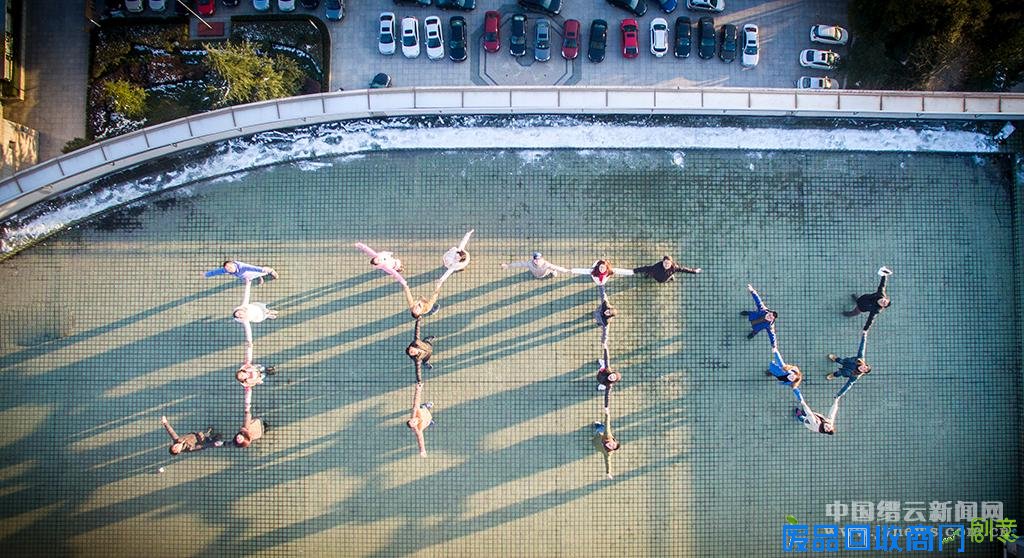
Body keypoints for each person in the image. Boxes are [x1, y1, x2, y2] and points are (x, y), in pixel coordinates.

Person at [844, 267, 893, 331]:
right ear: (884, 298)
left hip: (861, 308)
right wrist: (884, 275)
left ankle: (846, 314)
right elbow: (882, 284)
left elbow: (870, 320)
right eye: (885, 300)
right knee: (858, 299)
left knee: (854, 312)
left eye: (884, 304)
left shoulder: (876, 310)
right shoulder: (880, 294)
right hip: (862, 298)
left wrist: (865, 329)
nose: (883, 301)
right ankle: (855, 299)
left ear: (882, 306)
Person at [826, 330, 871, 398]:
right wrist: (864, 337)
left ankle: (833, 375)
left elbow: (848, 385)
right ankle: (835, 359)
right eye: (865, 367)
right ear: (864, 364)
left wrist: (839, 394)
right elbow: (861, 348)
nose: (863, 368)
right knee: (840, 360)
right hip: (846, 362)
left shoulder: (855, 376)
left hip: (844, 372)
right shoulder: (860, 359)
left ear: (863, 372)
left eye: (864, 370)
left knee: (838, 373)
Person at [233, 280, 278, 348]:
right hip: (258, 316)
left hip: (257, 308)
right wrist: (250, 341)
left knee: (266, 310)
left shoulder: (244, 305)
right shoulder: (245, 320)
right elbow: (248, 331)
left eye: (239, 313)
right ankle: (268, 315)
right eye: (239, 316)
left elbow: (246, 295)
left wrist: (248, 284)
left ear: (240, 310)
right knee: (265, 315)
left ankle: (269, 312)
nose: (240, 314)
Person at [407, 382, 434, 457]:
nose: (414, 421)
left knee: (421, 407)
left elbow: (416, 400)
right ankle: (429, 422)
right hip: (426, 421)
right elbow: (420, 440)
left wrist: (418, 389)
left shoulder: (415, 411)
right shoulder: (418, 430)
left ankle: (425, 405)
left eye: (412, 420)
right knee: (429, 422)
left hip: (424, 412)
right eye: (414, 423)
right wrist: (422, 450)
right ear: (414, 426)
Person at [633, 255, 702, 283]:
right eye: (665, 263)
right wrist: (634, 271)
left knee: (669, 277)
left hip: (666, 279)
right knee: (649, 272)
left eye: (668, 263)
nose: (666, 265)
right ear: (662, 262)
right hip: (656, 277)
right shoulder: (656, 267)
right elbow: (644, 268)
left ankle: (671, 276)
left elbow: (684, 269)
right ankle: (649, 275)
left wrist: (694, 271)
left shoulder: (674, 268)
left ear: (671, 263)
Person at [592, 411, 620, 480]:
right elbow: (607, 425)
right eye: (613, 443)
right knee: (602, 428)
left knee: (600, 430)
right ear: (613, 441)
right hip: (598, 436)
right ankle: (597, 425)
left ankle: (597, 427)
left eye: (612, 447)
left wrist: (608, 473)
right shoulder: (608, 436)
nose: (611, 444)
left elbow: (608, 462)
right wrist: (607, 414)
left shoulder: (608, 453)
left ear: (611, 449)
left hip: (596, 444)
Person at [501, 252, 571, 279]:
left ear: (542, 259)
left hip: (545, 273)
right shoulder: (529, 263)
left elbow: (557, 268)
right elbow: (519, 264)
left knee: (554, 271)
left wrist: (566, 271)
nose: (537, 261)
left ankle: (552, 274)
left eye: (539, 259)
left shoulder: (546, 264)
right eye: (535, 259)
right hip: (537, 275)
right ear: (533, 259)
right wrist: (507, 266)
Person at [205, 260, 278, 284]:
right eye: (227, 268)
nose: (229, 269)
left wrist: (262, 270)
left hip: (254, 272)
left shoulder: (242, 267)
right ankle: (259, 277)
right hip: (246, 276)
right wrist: (206, 274)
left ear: (233, 264)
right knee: (251, 278)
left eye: (230, 267)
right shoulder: (225, 269)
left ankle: (272, 271)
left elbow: (253, 268)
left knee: (264, 271)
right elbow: (216, 272)